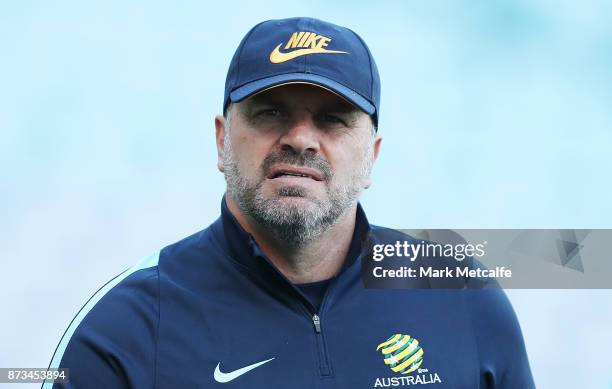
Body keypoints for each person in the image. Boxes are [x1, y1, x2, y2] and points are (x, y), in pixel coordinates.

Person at [44, 17, 535, 388]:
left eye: (333, 119)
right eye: (271, 111)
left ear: (372, 157)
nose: (301, 138)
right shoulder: (125, 329)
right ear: (221, 141)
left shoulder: (463, 304)